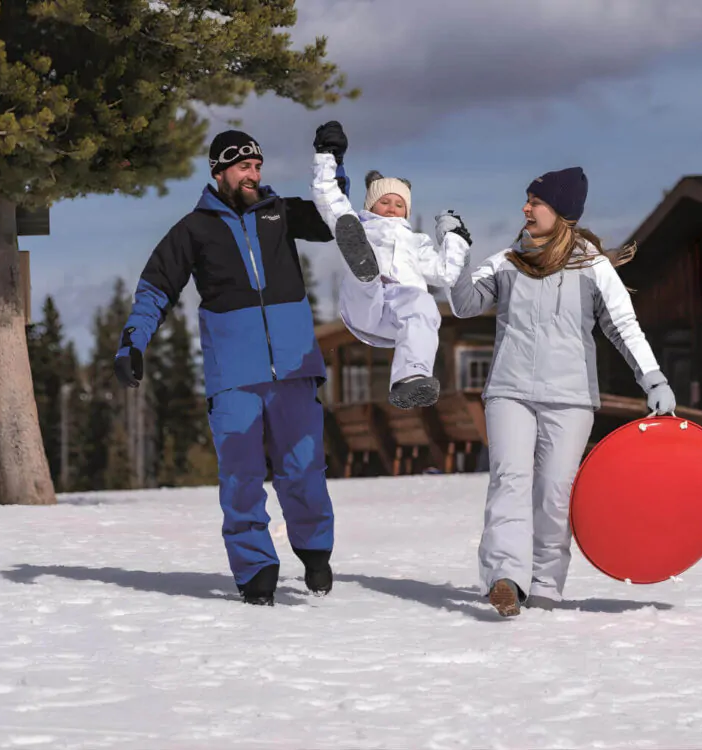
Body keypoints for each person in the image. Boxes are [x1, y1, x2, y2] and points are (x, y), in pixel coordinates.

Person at [113, 129, 369, 606]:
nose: (254, 175)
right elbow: (154, 290)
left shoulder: (282, 213)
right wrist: (132, 344)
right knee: (241, 477)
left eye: (258, 166)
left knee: (304, 470)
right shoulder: (192, 230)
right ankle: (255, 569)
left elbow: (337, 216)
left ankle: (315, 550)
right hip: (233, 377)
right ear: (219, 171)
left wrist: (332, 161)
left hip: (293, 369)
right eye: (244, 167)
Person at [448, 166, 677, 617]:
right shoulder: (507, 261)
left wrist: (653, 378)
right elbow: (462, 304)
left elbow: (623, 326)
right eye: (528, 200)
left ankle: (546, 585)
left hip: (570, 397)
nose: (525, 208)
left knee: (555, 492)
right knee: (509, 482)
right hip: (510, 390)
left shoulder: (592, 267)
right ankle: (506, 579)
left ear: (562, 211)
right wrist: (455, 250)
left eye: (535, 201)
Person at [310, 121, 472, 409]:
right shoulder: (357, 225)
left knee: (423, 303)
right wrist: (327, 156)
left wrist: (454, 237)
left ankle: (411, 378)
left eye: (399, 204)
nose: (392, 208)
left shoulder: (416, 241)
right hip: (364, 307)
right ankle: (365, 266)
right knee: (365, 272)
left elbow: (445, 273)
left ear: (407, 210)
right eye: (384, 201)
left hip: (396, 319)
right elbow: (328, 198)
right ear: (370, 205)